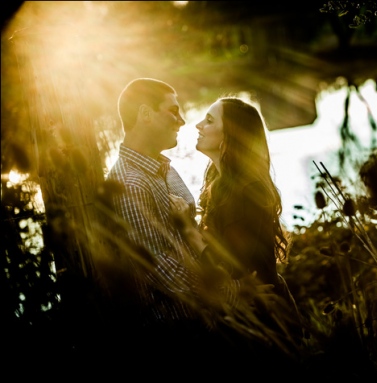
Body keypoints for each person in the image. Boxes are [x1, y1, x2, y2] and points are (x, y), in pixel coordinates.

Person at [104, 78, 239, 334]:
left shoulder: (165, 169)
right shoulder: (130, 185)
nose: (182, 121)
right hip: (180, 333)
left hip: (211, 321)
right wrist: (232, 292)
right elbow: (163, 271)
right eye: (173, 111)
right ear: (145, 114)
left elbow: (188, 237)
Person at [171, 96, 303, 345]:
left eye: (209, 121)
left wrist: (189, 231)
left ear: (230, 135)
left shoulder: (248, 191)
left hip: (265, 319)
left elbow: (231, 265)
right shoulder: (220, 186)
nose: (198, 125)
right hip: (245, 312)